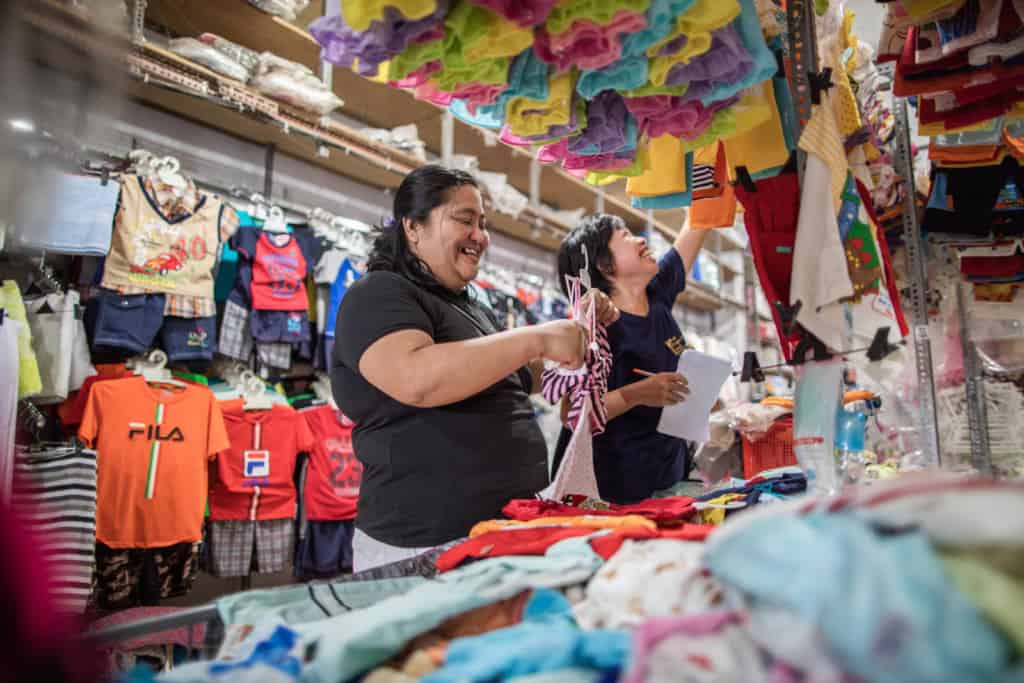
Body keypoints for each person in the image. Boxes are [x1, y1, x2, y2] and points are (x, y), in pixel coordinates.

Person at [331, 165, 614, 572]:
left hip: (498, 531)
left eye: (483, 224)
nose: (480, 236)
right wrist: (537, 337)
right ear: (413, 227)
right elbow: (417, 380)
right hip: (423, 545)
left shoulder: (472, 305)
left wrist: (580, 333)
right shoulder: (377, 294)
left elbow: (514, 375)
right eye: (464, 220)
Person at [553, 213, 709, 504]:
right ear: (604, 264)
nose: (641, 239)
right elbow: (572, 413)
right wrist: (635, 395)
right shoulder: (594, 324)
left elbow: (698, 222)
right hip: (613, 489)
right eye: (624, 235)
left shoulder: (657, 293)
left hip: (667, 476)